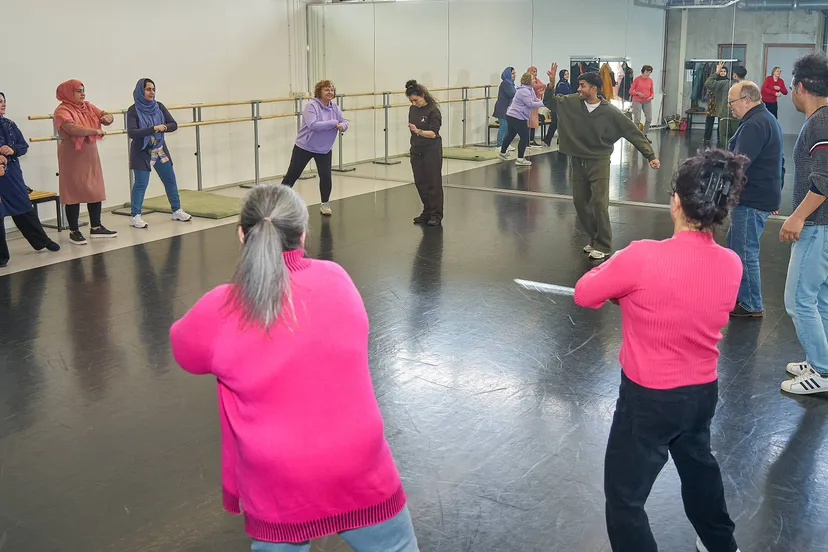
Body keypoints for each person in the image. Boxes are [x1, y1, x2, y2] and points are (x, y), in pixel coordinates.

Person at [170, 184, 419, 552]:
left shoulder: (222, 307)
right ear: (303, 234)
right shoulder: (337, 278)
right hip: (359, 460)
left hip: (279, 475)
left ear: (242, 235)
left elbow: (184, 351)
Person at [575, 149, 746, 552]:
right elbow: (688, 304)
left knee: (624, 500)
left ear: (676, 202)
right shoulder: (732, 263)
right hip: (701, 396)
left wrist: (618, 275)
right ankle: (723, 545)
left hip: (647, 401)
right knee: (699, 470)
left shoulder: (640, 256)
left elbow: (585, 293)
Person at [544, 63, 659, 260]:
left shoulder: (610, 112)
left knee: (599, 202)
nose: (579, 89)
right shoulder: (572, 102)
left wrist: (650, 155)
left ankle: (604, 244)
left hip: (599, 160)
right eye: (579, 85)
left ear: (594, 89)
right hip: (578, 160)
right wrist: (550, 85)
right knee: (580, 202)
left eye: (582, 86)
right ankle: (594, 238)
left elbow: (632, 132)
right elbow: (551, 102)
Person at [779, 52, 828, 396]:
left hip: (816, 226)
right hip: (823, 227)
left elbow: (824, 178)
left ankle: (823, 373)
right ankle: (822, 359)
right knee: (821, 298)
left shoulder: (820, 123)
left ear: (800, 87)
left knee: (797, 300)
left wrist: (797, 216)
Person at [725, 81, 784, 318]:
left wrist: (716, 193)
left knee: (745, 250)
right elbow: (780, 163)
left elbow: (739, 163)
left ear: (747, 100)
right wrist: (775, 195)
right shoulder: (767, 120)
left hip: (751, 199)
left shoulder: (755, 124)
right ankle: (742, 296)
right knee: (735, 245)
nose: (729, 106)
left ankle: (751, 304)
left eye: (732, 102)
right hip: (761, 196)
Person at [53, 79, 117, 245]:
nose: (83, 93)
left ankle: (96, 227)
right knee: (73, 192)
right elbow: (72, 129)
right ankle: (74, 230)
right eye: (78, 90)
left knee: (94, 188)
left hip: (90, 154)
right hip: (72, 155)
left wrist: (108, 117)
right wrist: (95, 130)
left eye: (83, 90)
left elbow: (103, 114)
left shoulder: (87, 106)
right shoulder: (62, 110)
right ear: (68, 93)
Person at [0, 93, 60, 268]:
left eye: (4, 101)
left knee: (24, 207)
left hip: (11, 175)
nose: (2, 104)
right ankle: (1, 255)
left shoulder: (9, 124)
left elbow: (23, 146)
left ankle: (42, 241)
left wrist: (12, 150)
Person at [126, 78, 192, 228]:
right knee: (141, 183)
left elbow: (173, 124)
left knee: (170, 179)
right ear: (140, 91)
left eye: (153, 89)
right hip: (142, 151)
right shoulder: (133, 110)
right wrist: (153, 129)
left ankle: (176, 210)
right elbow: (132, 132)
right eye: (148, 89)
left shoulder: (159, 106)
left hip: (159, 149)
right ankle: (135, 216)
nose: (152, 92)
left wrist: (163, 127)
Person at [282, 80, 348, 217]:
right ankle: (277, 202)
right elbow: (313, 125)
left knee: (326, 177)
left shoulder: (335, 107)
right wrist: (334, 123)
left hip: (324, 149)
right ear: (319, 92)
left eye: (331, 90)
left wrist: (343, 126)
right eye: (326, 90)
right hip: (304, 147)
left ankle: (325, 204)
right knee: (292, 175)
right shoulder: (311, 106)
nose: (330, 92)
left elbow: (344, 121)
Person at [406, 80, 443, 227]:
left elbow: (434, 133)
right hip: (417, 150)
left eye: (416, 100)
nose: (414, 103)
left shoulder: (433, 110)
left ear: (422, 95)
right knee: (420, 182)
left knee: (433, 182)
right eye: (411, 101)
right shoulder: (413, 109)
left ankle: (436, 214)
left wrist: (419, 131)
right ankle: (427, 211)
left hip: (431, 150)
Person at [498, 72, 545, 167]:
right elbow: (530, 104)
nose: (534, 80)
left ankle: (502, 153)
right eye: (533, 79)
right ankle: (520, 159)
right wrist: (544, 104)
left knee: (510, 135)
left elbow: (535, 100)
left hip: (513, 115)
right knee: (524, 137)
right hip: (517, 117)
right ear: (528, 80)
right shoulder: (524, 91)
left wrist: (542, 101)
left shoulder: (529, 89)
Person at [706, 63, 747, 147]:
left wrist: (717, 72)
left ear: (734, 75)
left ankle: (726, 158)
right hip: (739, 118)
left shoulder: (725, 83)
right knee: (738, 141)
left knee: (724, 142)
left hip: (724, 116)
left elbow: (708, 83)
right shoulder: (747, 86)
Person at [543, 69, 571, 147]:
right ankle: (548, 140)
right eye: (565, 74)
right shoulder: (562, 84)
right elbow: (564, 96)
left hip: (561, 108)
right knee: (555, 124)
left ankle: (553, 140)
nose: (567, 76)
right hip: (558, 108)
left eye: (568, 74)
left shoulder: (566, 83)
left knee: (558, 125)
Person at [629, 65, 655, 142]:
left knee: (649, 118)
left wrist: (652, 96)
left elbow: (652, 92)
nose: (648, 74)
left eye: (649, 72)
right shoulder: (637, 80)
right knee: (637, 119)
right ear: (643, 71)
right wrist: (637, 93)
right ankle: (636, 136)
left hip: (647, 101)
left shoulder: (650, 80)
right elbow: (630, 91)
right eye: (647, 72)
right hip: (637, 100)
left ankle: (644, 135)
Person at [493, 67, 516, 150]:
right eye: (513, 73)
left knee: (508, 127)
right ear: (508, 74)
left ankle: (505, 144)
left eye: (514, 73)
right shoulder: (506, 83)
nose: (514, 75)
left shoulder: (511, 83)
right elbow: (512, 93)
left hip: (507, 108)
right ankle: (499, 145)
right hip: (502, 108)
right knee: (503, 126)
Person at [704, 66, 728, 146]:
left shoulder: (728, 81)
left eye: (724, 71)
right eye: (721, 71)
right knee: (709, 121)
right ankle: (706, 138)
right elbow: (709, 90)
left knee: (721, 122)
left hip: (722, 103)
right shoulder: (713, 81)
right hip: (713, 103)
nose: (723, 73)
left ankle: (720, 138)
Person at [527, 66, 546, 147]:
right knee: (529, 123)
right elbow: (537, 86)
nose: (535, 73)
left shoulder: (536, 80)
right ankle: (527, 141)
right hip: (529, 105)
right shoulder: (528, 81)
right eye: (533, 71)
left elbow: (542, 87)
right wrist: (542, 87)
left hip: (535, 105)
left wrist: (541, 90)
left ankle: (531, 140)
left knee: (534, 122)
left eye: (536, 71)